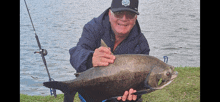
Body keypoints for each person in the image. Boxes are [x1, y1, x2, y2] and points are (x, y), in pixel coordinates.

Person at [69, 0, 150, 101]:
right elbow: (75, 54)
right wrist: (91, 59)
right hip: (90, 90)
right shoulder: (93, 27)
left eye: (130, 14)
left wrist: (135, 94)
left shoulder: (142, 45)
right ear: (110, 14)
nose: (124, 19)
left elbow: (142, 83)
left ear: (135, 18)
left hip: (120, 95)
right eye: (119, 13)